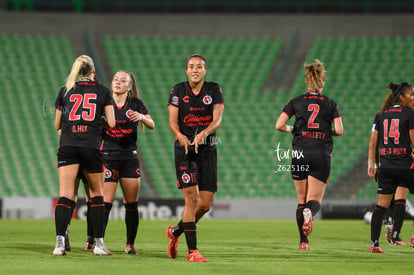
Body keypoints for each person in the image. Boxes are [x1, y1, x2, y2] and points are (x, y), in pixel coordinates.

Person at [275, 59, 343, 251]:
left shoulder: (296, 101)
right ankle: (309, 214)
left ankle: (303, 242)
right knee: (314, 200)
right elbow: (339, 129)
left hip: (300, 151)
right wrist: (327, 131)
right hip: (321, 152)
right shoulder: (330, 103)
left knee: (301, 199)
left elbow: (278, 125)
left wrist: (293, 130)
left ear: (306, 82)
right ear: (322, 82)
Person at [53, 54, 115, 256]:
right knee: (97, 194)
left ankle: (60, 244)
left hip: (68, 146)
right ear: (93, 71)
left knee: (66, 195)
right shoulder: (103, 92)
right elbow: (112, 123)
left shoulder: (65, 91)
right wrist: (99, 122)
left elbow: (57, 125)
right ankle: (98, 244)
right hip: (91, 146)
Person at [166, 54, 225, 262]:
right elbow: (173, 121)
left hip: (207, 148)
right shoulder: (178, 90)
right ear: (186, 70)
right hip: (185, 150)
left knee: (205, 204)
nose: (195, 70)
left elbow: (217, 120)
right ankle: (192, 252)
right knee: (190, 199)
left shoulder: (214, 89)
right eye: (191, 66)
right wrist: (180, 135)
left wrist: (204, 133)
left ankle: (176, 232)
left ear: (205, 70)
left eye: (199, 67)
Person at [101, 70, 155, 254]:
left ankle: (130, 244)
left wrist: (142, 117)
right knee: (105, 203)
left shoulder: (136, 104)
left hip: (129, 158)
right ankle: (97, 241)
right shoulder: (104, 102)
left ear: (129, 87)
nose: (117, 82)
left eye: (122, 80)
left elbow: (152, 124)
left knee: (131, 204)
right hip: (107, 157)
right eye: (115, 79)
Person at [367, 82, 414, 253]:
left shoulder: (381, 115)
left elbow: (373, 142)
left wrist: (371, 164)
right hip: (405, 165)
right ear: (401, 97)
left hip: (386, 167)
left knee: (380, 206)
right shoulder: (410, 114)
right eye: (412, 95)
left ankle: (374, 245)